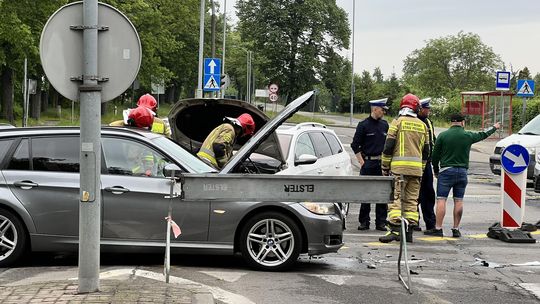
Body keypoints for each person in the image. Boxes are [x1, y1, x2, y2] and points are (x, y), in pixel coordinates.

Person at [425, 113, 500, 237]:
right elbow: (483, 134)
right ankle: (456, 229)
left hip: (446, 171)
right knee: (458, 201)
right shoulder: (467, 135)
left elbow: (435, 156)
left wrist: (436, 170)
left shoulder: (443, 136)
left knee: (441, 199)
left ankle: (438, 228)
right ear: (462, 122)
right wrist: (494, 127)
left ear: (451, 122)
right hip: (462, 173)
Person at [379, 93, 430, 243]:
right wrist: (420, 168)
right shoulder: (423, 125)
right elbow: (426, 151)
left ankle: (395, 230)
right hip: (416, 171)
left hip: (399, 169)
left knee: (396, 199)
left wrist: (384, 166)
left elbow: (388, 147)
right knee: (411, 201)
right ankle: (408, 233)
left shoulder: (397, 122)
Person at [350, 98, 389, 231]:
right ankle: (364, 222)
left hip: (381, 163)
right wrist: (361, 161)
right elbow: (355, 145)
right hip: (368, 163)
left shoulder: (385, 125)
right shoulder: (363, 125)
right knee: (365, 193)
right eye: (382, 109)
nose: (383, 112)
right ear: (375, 109)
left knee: (382, 194)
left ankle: (381, 222)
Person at [416, 98, 436, 232]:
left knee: (428, 194)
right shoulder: (414, 121)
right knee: (414, 194)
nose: (428, 111)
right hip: (415, 163)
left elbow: (432, 141)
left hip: (427, 163)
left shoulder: (428, 121)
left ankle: (430, 223)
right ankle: (413, 222)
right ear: (419, 109)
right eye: (426, 109)